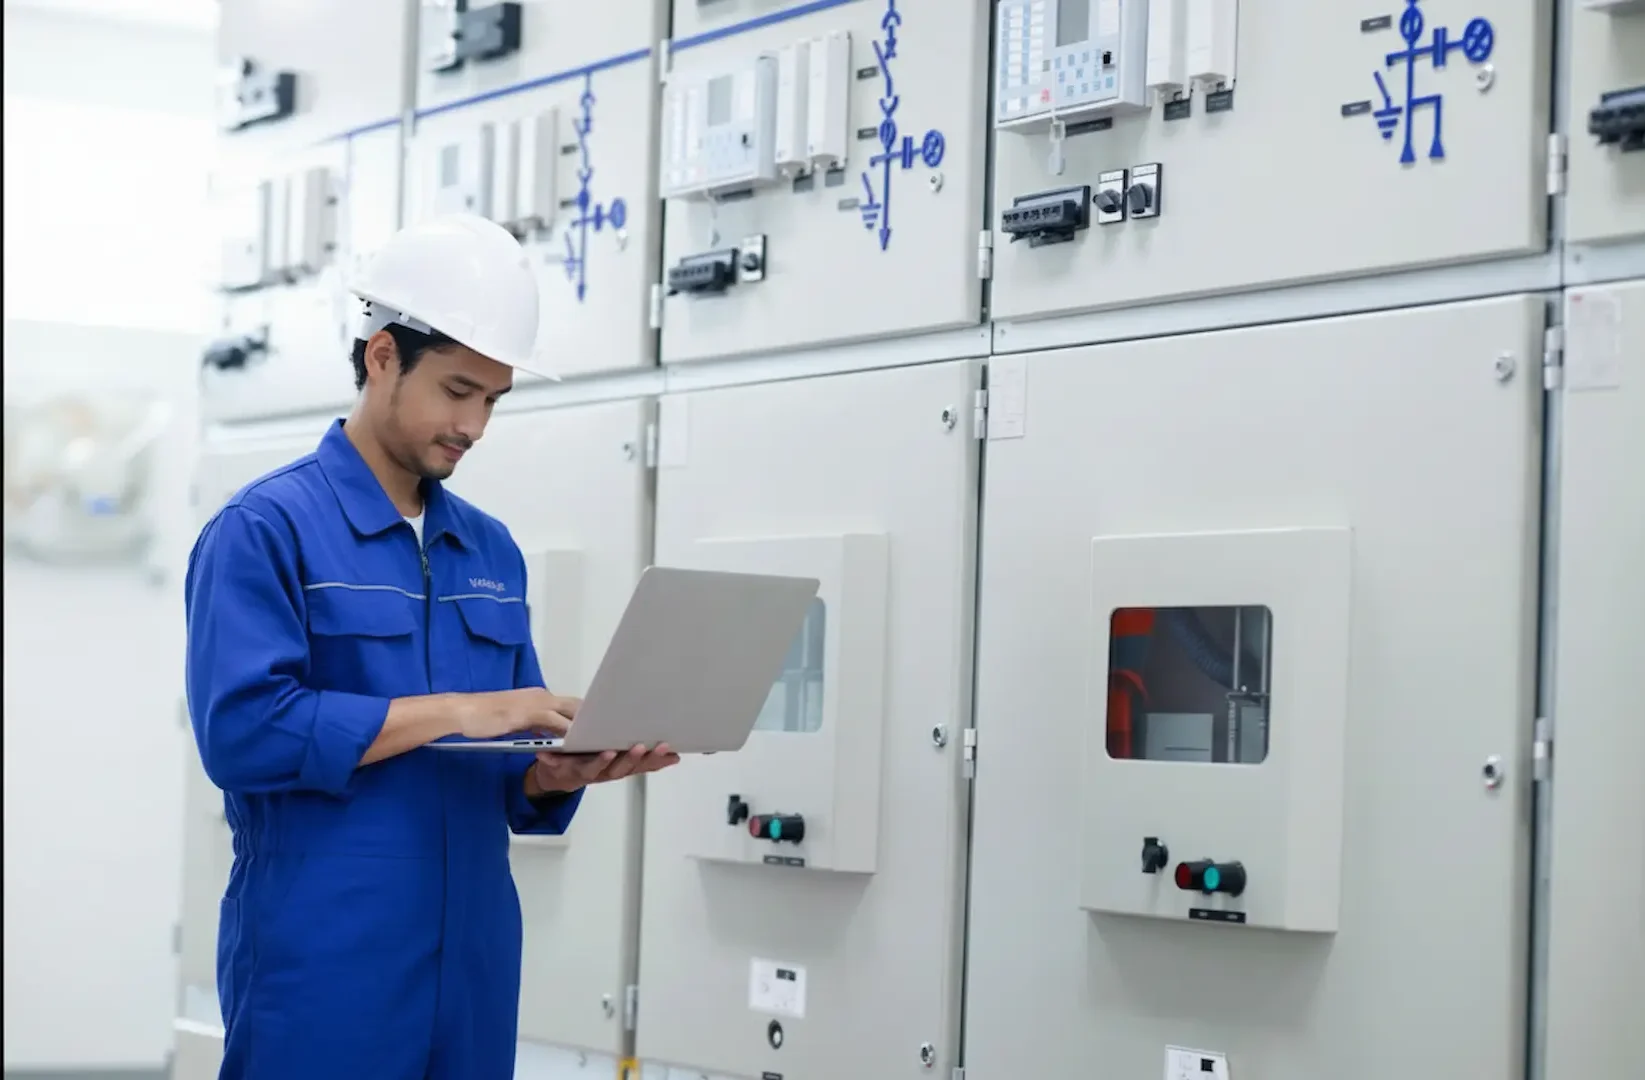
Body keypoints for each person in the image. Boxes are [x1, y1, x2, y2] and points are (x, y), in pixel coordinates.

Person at [183, 212, 680, 1078]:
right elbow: (243, 736)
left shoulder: (487, 549)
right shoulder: (265, 528)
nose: (475, 424)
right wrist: (460, 709)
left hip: (473, 959)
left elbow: (507, 766)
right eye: (457, 391)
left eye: (492, 399)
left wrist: (554, 773)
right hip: (324, 957)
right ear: (383, 356)